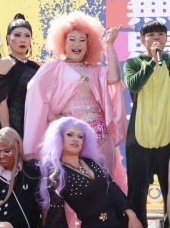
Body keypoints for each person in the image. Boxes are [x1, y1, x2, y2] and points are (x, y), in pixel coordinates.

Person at [38, 117, 156, 228]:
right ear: (59, 138)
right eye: (70, 135)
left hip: (118, 220)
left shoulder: (92, 162)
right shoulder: (57, 173)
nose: (75, 139)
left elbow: (113, 189)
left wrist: (132, 216)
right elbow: (56, 212)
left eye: (80, 136)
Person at [24, 11, 125, 175]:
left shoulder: (96, 69)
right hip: (71, 139)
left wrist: (110, 45)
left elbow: (115, 78)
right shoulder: (54, 66)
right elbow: (35, 90)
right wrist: (53, 117)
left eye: (82, 40)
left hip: (101, 138)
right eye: (72, 39)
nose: (77, 44)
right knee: (73, 184)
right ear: (63, 43)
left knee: (105, 183)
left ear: (89, 45)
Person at [123, 20, 170, 228]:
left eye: (161, 34)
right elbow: (133, 85)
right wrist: (152, 62)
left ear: (166, 39)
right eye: (151, 35)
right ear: (143, 40)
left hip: (167, 135)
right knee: (137, 189)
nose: (156, 38)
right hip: (139, 136)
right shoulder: (133, 63)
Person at [0, 14, 41, 138]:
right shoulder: (4, 63)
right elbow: (1, 103)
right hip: (11, 121)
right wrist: (7, 133)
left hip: (32, 121)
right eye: (17, 35)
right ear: (8, 38)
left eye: (27, 36)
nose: (23, 40)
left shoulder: (37, 65)